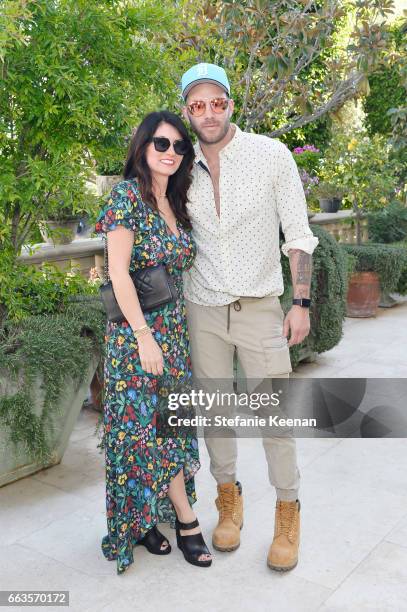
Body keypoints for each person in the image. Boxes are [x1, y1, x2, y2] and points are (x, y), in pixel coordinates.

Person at [180, 63, 319, 571]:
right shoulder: (180, 163)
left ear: (231, 103)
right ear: (187, 112)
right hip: (204, 307)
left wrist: (299, 304)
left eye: (217, 102)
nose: (209, 112)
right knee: (215, 414)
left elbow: (298, 234)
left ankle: (287, 511)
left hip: (260, 306)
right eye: (198, 105)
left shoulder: (270, 154)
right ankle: (228, 502)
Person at [95, 110, 212, 575]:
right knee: (149, 431)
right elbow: (117, 272)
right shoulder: (126, 196)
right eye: (161, 144)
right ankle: (187, 522)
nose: (171, 153)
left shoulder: (176, 200)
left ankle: (144, 522)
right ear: (143, 147)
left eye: (179, 146)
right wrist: (144, 336)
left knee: (167, 427)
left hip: (173, 334)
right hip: (136, 336)